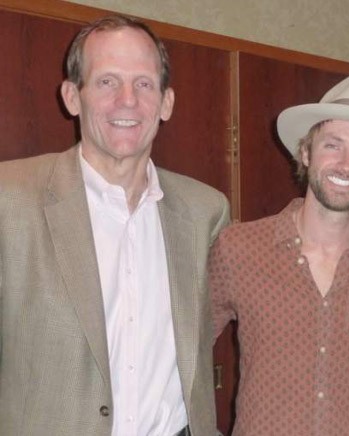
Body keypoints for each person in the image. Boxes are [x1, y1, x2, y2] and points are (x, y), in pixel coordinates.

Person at [0, 15, 230, 435]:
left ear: (166, 103)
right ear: (73, 96)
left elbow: (277, 261)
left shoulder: (206, 212)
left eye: (143, 84)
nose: (127, 100)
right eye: (107, 81)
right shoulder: (8, 200)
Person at [208, 71, 349, 435]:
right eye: (332, 145)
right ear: (306, 152)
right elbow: (182, 351)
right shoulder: (238, 248)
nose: (346, 164)